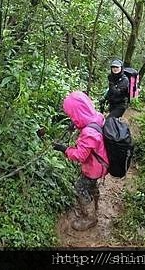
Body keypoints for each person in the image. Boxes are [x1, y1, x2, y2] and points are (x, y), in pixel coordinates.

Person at [52, 91, 108, 231]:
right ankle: (94, 205)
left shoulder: (89, 133)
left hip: (94, 167)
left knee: (80, 187)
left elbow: (80, 156)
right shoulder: (97, 117)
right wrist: (76, 125)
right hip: (101, 163)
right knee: (91, 186)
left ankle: (89, 218)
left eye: (71, 114)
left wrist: (64, 149)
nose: (70, 117)